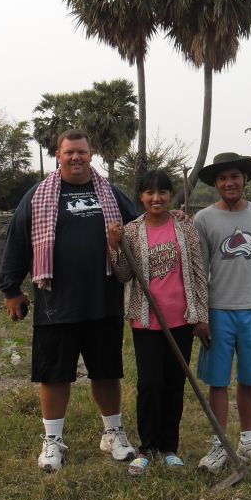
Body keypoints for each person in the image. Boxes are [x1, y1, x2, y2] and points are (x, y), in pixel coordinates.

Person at [0, 129, 137, 473]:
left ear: (92, 155)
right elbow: (17, 240)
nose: (76, 157)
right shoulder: (38, 195)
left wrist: (169, 220)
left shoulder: (110, 193)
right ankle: (52, 441)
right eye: (69, 152)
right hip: (55, 301)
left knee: (106, 371)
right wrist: (11, 289)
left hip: (103, 299)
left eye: (82, 152)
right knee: (54, 374)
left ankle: (113, 433)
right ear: (58, 155)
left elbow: (140, 227)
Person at [107, 170, 210, 477]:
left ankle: (170, 448)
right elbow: (124, 275)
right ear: (140, 196)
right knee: (150, 384)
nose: (157, 198)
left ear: (171, 195)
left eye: (163, 192)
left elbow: (197, 272)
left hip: (181, 318)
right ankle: (147, 448)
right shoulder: (131, 231)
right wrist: (114, 246)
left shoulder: (184, 227)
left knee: (175, 384)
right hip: (147, 320)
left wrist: (201, 316)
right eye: (150, 193)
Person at [193, 152, 251, 474]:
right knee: (218, 381)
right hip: (217, 310)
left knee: (250, 378)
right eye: (222, 178)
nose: (229, 183)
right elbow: (199, 271)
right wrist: (200, 314)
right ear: (215, 183)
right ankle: (220, 444)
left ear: (245, 179)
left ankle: (248, 441)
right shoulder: (203, 219)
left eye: (235, 177)